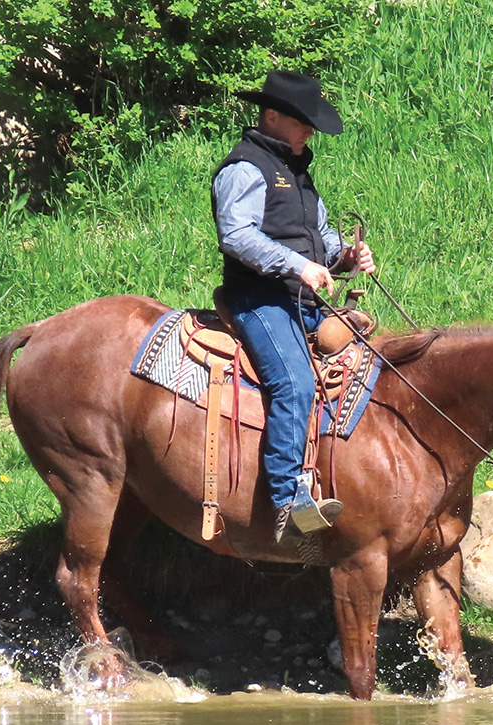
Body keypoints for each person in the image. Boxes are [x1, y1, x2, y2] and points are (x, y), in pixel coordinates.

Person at [211, 69, 375, 544]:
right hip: (257, 298)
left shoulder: (299, 171)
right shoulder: (245, 168)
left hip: (298, 297)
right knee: (296, 382)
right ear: (272, 115)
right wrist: (298, 266)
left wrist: (343, 255)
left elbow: (320, 237)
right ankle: (288, 504)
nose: (310, 129)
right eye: (303, 120)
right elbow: (237, 235)